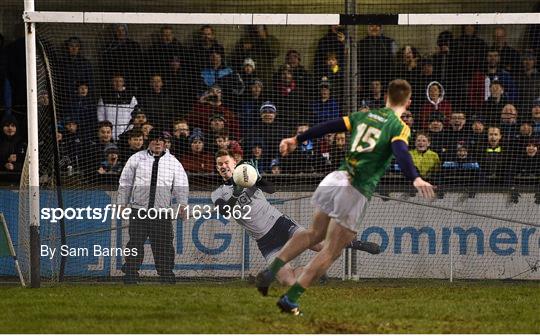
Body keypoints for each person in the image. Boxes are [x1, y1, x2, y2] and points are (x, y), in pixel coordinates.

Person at [255, 79, 435, 315]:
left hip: (335, 178)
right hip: (356, 187)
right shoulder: (399, 126)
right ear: (408, 102)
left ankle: (271, 271)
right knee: (331, 250)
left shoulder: (364, 115)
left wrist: (296, 139)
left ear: (386, 98)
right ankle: (291, 299)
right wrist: (415, 177)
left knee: (313, 233)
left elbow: (329, 126)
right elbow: (401, 151)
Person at [212, 150, 381, 288]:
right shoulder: (218, 193)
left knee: (318, 245)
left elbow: (272, 189)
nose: (223, 166)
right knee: (288, 281)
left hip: (279, 224)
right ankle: (314, 271)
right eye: (220, 164)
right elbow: (224, 212)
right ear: (217, 168)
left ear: (234, 163)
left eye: (226, 162)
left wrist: (258, 177)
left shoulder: (248, 176)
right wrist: (235, 191)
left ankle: (355, 244)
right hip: (265, 241)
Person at [118, 128, 189, 284]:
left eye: (160, 139)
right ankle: (130, 273)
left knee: (164, 245)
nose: (157, 142)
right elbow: (125, 182)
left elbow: (181, 185)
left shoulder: (173, 162)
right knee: (135, 243)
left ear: (165, 143)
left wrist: (182, 204)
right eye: (154, 139)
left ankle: (166, 274)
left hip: (161, 212)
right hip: (139, 211)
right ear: (148, 142)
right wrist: (122, 203)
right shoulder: (136, 159)